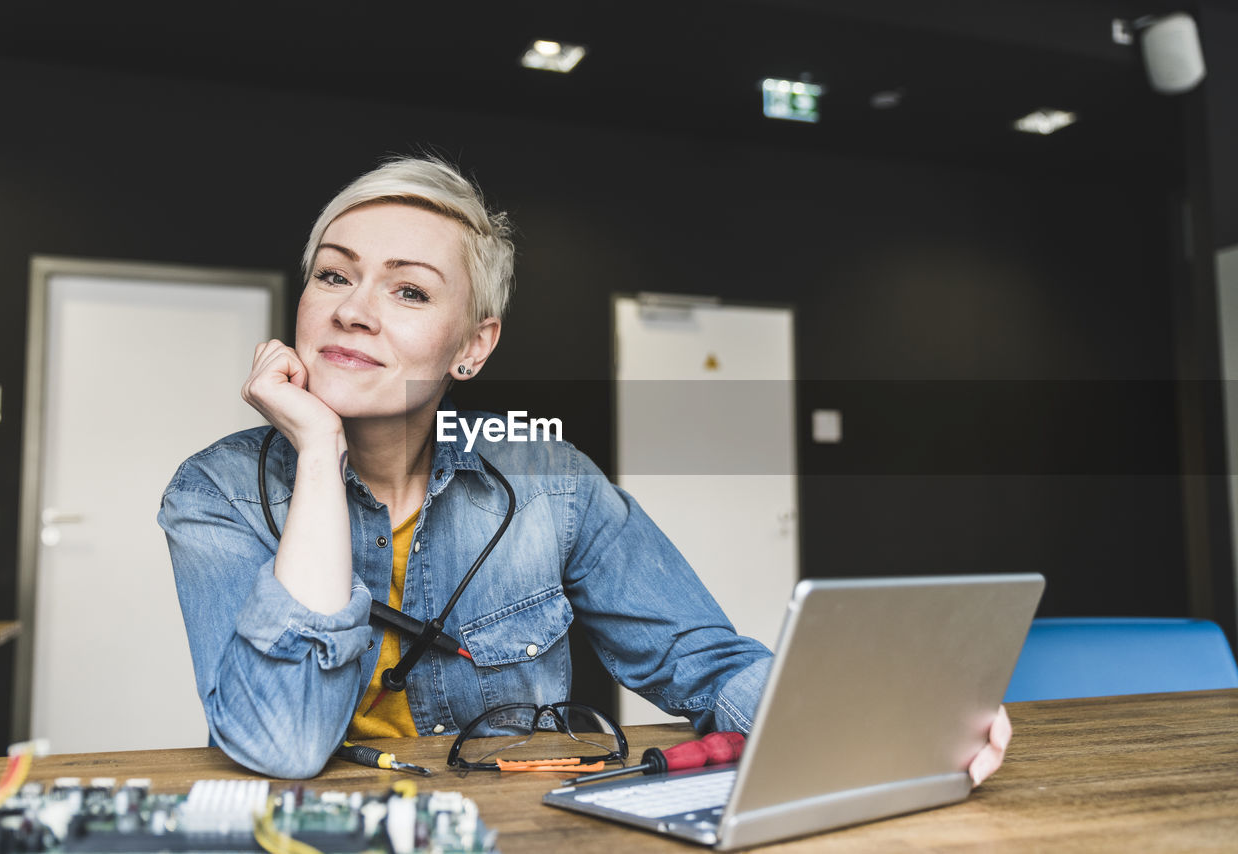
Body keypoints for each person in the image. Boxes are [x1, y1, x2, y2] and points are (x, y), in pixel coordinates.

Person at [158, 156, 1011, 782]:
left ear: (472, 347)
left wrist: (886, 720)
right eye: (333, 275)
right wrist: (317, 452)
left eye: (409, 291)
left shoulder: (552, 483)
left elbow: (705, 663)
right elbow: (283, 744)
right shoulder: (215, 493)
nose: (352, 309)